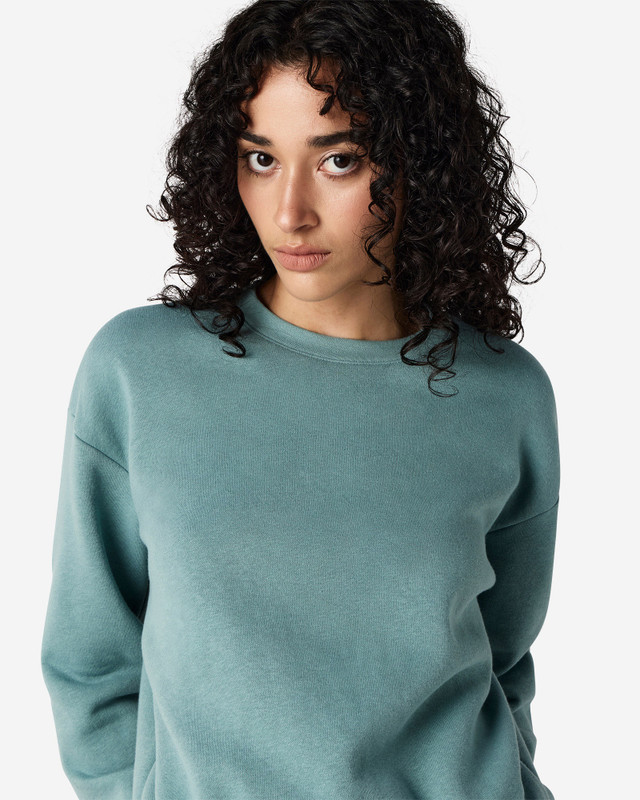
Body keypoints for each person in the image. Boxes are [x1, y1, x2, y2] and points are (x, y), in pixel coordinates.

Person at [40, 1, 561, 799]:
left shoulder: (504, 393)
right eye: (260, 158)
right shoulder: (139, 373)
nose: (290, 212)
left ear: (420, 163)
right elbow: (91, 663)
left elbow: (504, 663)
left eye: (338, 160)